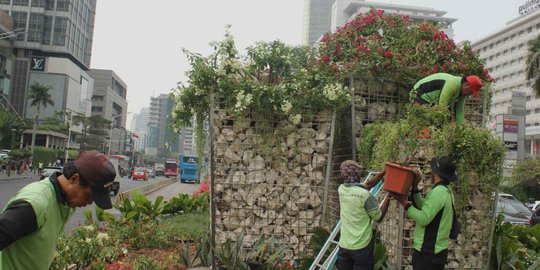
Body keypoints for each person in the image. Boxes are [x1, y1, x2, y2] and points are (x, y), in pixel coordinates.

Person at [0, 150, 117, 270]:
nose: (89, 203)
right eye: (89, 196)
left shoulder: (65, 202)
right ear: (74, 179)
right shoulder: (35, 205)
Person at [391, 156, 457, 270]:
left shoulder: (438, 193)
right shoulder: (445, 191)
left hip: (428, 253)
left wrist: (403, 202)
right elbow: (425, 208)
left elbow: (423, 218)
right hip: (435, 252)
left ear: (436, 173)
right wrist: (415, 188)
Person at [337, 160, 391, 270]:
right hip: (362, 247)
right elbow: (378, 217)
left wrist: (383, 172)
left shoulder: (341, 189)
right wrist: (389, 196)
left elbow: (368, 184)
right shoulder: (365, 195)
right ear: (358, 174)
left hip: (344, 246)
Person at [409, 73, 483, 124]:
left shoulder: (462, 92)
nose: (469, 94)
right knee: (432, 119)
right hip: (418, 94)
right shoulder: (453, 83)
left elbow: (460, 110)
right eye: (470, 92)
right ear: (467, 85)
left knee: (444, 118)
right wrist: (448, 123)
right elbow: (442, 105)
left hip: (432, 102)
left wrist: (461, 129)